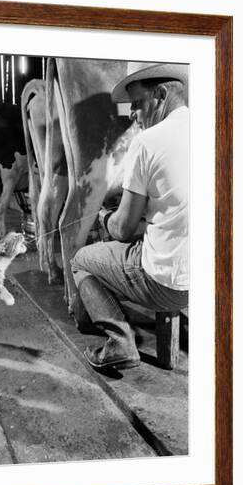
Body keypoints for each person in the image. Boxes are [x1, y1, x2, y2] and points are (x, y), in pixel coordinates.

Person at [70, 63, 189, 370]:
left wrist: (104, 218)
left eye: (137, 103)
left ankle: (119, 341)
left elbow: (122, 230)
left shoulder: (147, 141)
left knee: (82, 259)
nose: (133, 114)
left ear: (160, 94)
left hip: (168, 285)